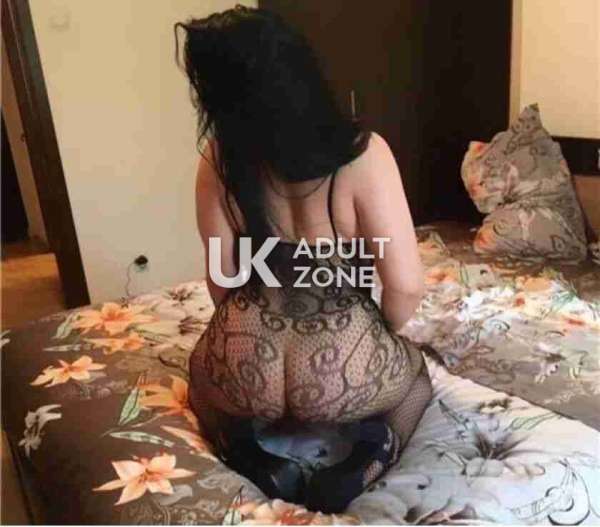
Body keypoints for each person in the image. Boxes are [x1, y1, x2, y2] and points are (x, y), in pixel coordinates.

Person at [176, 5, 432, 513]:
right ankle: (367, 459)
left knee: (201, 379)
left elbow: (221, 279)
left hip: (250, 362)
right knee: (416, 383)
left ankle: (246, 452)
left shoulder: (218, 158)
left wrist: (248, 339)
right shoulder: (363, 153)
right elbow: (406, 285)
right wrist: (377, 334)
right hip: (338, 366)